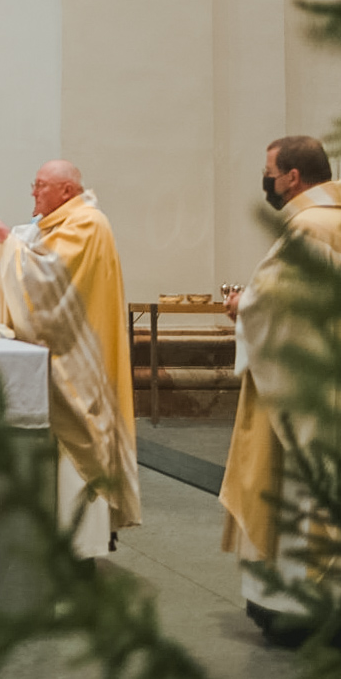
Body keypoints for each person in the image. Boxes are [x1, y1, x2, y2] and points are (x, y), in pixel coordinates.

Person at [0, 159, 141, 552]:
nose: (33, 191)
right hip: (56, 360)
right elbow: (25, 254)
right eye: (34, 184)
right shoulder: (55, 225)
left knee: (77, 456)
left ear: (67, 190)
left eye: (41, 185)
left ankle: (86, 545)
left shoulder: (88, 224)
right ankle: (60, 541)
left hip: (78, 364)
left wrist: (4, 241)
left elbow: (49, 281)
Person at [220, 135, 341, 643]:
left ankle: (296, 610)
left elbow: (275, 310)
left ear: (293, 176)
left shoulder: (308, 227)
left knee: (293, 496)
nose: (265, 181)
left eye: (269, 171)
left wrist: (242, 306)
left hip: (301, 390)